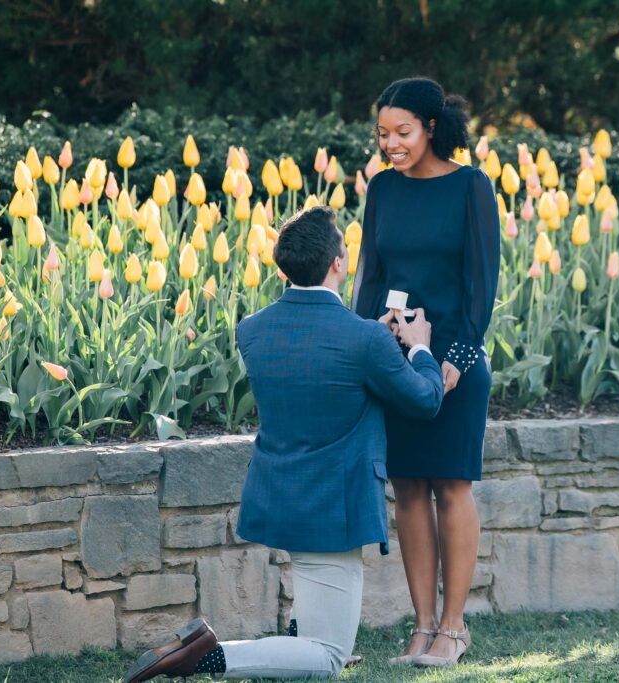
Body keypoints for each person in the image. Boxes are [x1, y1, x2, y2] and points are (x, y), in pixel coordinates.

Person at [122, 205, 445, 682]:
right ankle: (209, 656)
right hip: (335, 504)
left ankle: (290, 633)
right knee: (330, 656)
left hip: (280, 493)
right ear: (338, 263)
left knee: (314, 620)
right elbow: (424, 400)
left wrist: (373, 340)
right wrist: (418, 348)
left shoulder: (253, 329)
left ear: (282, 266)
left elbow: (315, 364)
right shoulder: (365, 340)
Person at [352, 76, 501, 667]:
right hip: (395, 360)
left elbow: (481, 285)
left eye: (403, 132)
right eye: (383, 133)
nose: (391, 143)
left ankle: (454, 628)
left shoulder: (471, 187)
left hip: (454, 363)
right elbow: (369, 276)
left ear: (431, 127)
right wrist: (369, 342)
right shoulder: (383, 189)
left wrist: (456, 361)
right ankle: (421, 628)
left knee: (451, 484)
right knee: (409, 488)